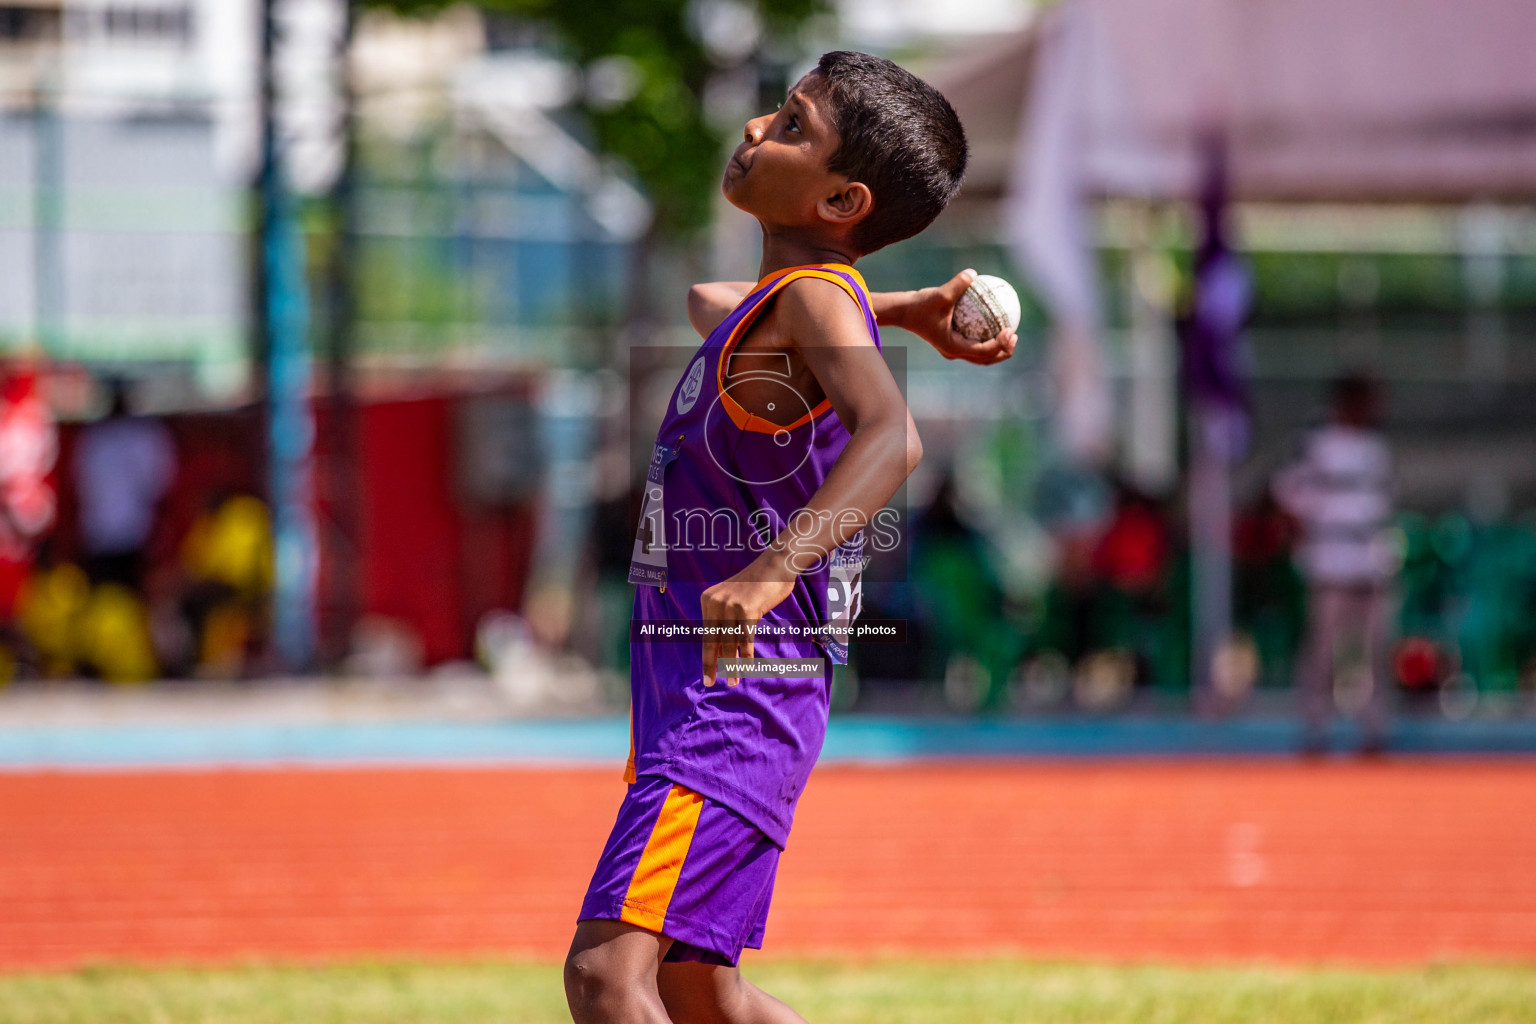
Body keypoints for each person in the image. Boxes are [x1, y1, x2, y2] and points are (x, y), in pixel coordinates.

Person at [565, 52, 1013, 1024]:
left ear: (843, 198)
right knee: (699, 989)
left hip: (728, 703)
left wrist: (769, 573)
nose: (757, 128)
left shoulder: (815, 301)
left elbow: (895, 437)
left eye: (793, 126)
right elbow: (708, 301)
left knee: (607, 979)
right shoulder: (797, 305)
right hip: (730, 703)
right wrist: (904, 309)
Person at [1273, 373, 1394, 755]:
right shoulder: (1316, 445)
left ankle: (1373, 730)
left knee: (1374, 651)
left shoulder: (1376, 447)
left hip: (1371, 563)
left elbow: (1383, 503)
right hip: (1329, 565)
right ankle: (1315, 729)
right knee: (1323, 653)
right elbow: (1289, 495)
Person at [72, 379, 176, 592]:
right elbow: (81, 484)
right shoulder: (95, 437)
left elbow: (160, 483)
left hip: (137, 532)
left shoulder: (145, 434)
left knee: (135, 596)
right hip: (100, 534)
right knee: (105, 597)